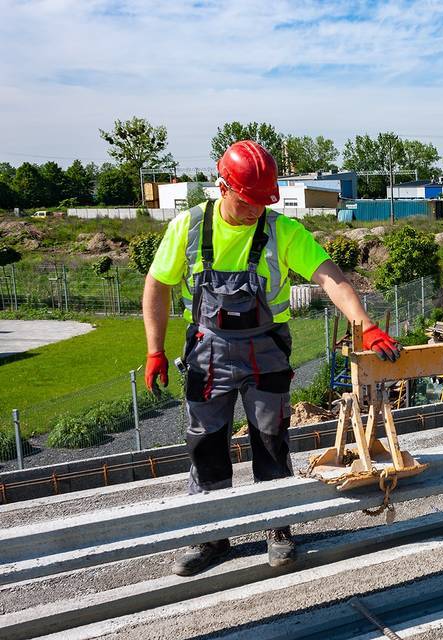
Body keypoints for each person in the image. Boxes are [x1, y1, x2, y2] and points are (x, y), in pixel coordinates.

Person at [142, 140, 401, 576]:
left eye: (263, 202)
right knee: (206, 443)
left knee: (270, 439)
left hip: (265, 351)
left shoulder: (283, 231)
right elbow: (157, 285)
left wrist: (364, 323)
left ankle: (277, 526)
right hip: (207, 351)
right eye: (247, 201)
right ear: (222, 187)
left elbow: (330, 278)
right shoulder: (187, 228)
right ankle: (210, 535)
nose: (255, 211)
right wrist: (155, 349)